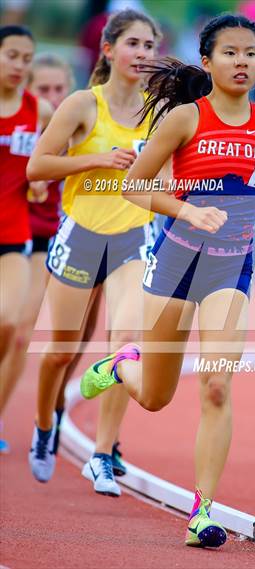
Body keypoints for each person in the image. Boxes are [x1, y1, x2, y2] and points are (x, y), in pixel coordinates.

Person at [79, 13, 255, 547]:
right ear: (207, 61)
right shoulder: (184, 119)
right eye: (230, 52)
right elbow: (134, 189)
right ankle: (120, 365)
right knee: (155, 397)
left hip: (233, 267)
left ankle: (203, 512)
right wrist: (185, 211)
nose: (242, 62)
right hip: (177, 265)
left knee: (216, 385)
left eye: (250, 53)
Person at [26, 9, 162, 494]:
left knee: (126, 345)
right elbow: (37, 166)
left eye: (150, 46)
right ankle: (45, 428)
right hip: (80, 235)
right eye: (133, 44)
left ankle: (103, 453)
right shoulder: (84, 104)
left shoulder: (159, 109)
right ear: (108, 50)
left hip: (133, 238)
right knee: (61, 352)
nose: (142, 54)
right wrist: (100, 159)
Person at [0, 25, 52, 453]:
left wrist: (38, 183)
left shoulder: (39, 112)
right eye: (11, 55)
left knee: (8, 322)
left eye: (25, 58)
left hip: (14, 234)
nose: (19, 65)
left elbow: (45, 164)